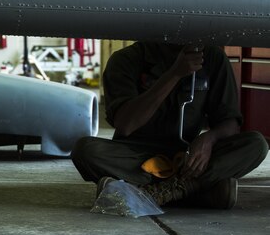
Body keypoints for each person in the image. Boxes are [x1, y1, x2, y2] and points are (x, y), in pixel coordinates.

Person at [71, 42, 268, 209]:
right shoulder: (125, 59)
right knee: (86, 150)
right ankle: (196, 191)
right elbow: (126, 125)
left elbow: (229, 122)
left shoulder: (212, 57)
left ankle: (150, 192)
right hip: (135, 155)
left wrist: (208, 139)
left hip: (188, 157)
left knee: (256, 144)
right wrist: (174, 73)